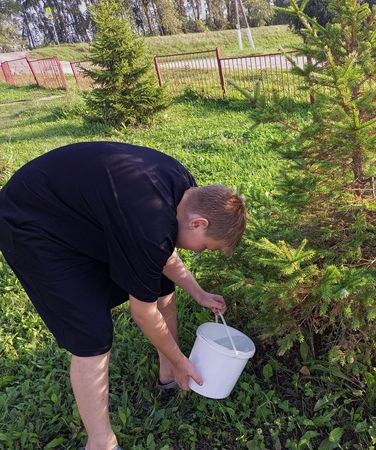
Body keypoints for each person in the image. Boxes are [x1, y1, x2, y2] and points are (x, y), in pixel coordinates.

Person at [0, 141, 247, 450]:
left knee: (161, 284)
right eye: (206, 247)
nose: (199, 251)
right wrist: (182, 359)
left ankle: (169, 375)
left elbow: (160, 247)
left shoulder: (184, 188)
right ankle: (101, 442)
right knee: (92, 334)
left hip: (75, 212)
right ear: (198, 223)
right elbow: (143, 313)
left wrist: (197, 292)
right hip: (31, 221)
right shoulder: (150, 224)